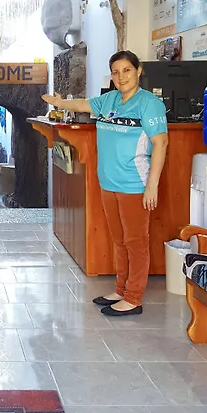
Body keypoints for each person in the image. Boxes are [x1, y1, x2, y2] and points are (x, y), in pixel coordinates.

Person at [42, 50, 168, 316]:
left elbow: (161, 143)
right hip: (109, 182)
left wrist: (152, 186)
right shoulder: (109, 100)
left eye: (127, 70)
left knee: (136, 242)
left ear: (138, 71)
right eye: (115, 72)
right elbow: (83, 105)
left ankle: (133, 298)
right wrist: (61, 103)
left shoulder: (149, 104)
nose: (121, 77)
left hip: (134, 184)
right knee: (119, 240)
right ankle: (121, 290)